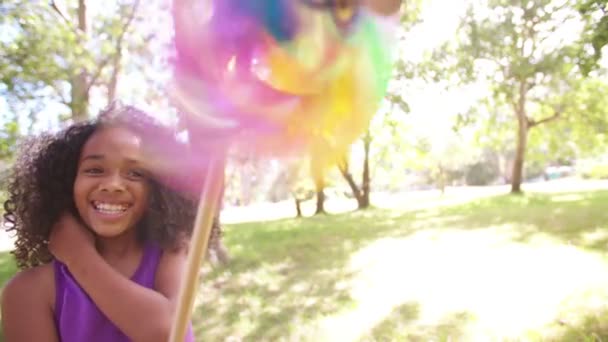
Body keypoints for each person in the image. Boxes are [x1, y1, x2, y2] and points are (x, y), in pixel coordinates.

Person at [1, 102, 198, 342]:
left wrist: (80, 258)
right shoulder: (29, 292)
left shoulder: (172, 250)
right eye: (94, 170)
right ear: (65, 184)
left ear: (158, 188)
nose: (113, 184)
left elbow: (168, 333)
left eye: (136, 173)